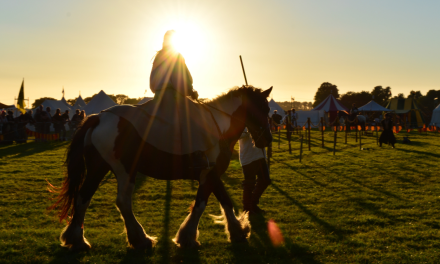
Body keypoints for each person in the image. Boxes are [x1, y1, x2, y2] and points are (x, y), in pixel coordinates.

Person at [239, 128, 271, 214]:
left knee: (265, 180)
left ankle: (252, 205)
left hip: (260, 155)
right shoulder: (243, 122)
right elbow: (238, 135)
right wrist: (250, 131)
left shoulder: (259, 121)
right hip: (248, 156)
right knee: (249, 184)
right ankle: (247, 209)